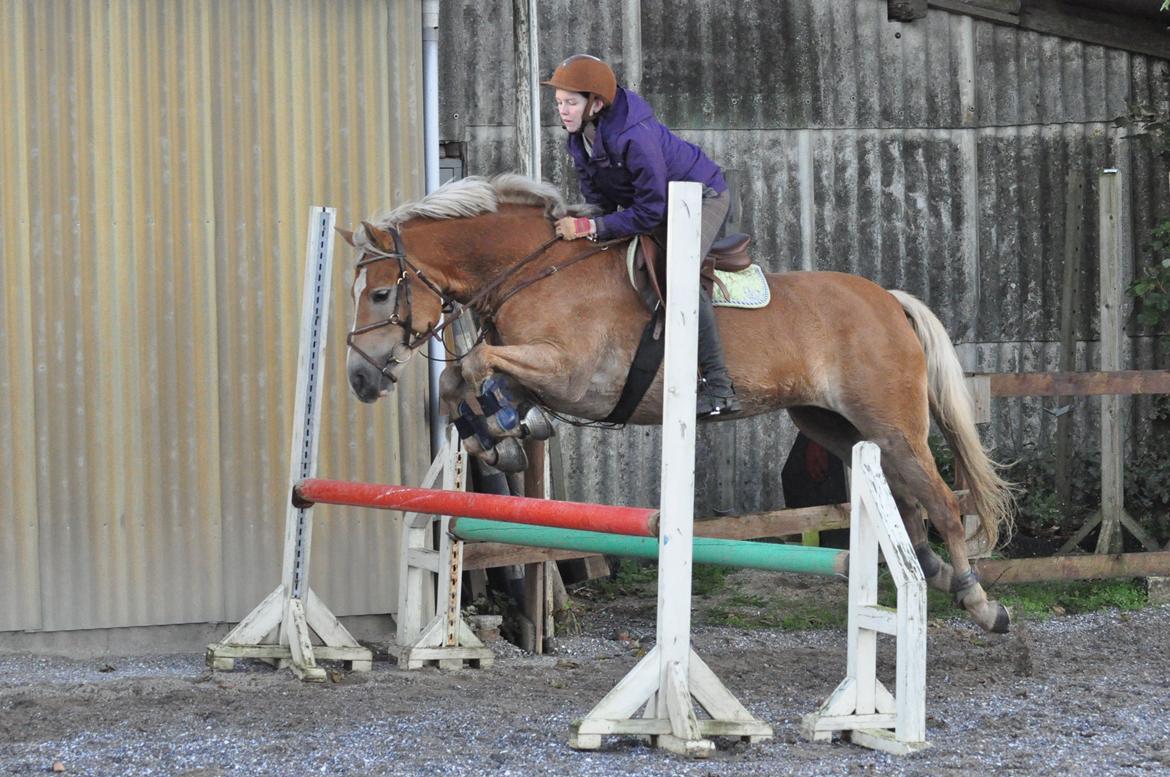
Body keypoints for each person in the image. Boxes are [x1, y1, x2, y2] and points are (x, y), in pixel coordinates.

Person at [541, 54, 740, 417]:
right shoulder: (578, 138)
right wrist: (585, 223)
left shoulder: (634, 135)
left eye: (571, 102)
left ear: (595, 103)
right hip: (659, 202)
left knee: (679, 278)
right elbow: (599, 200)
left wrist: (591, 227)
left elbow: (651, 211)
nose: (563, 111)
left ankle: (720, 387)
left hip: (701, 197)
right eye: (559, 103)